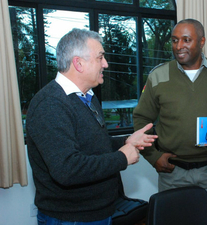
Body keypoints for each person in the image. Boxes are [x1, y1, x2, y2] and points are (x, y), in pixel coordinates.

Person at [26, 28, 158, 224]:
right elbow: (68, 169)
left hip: (99, 211)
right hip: (71, 218)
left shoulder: (87, 97)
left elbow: (93, 144)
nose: (105, 64)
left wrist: (125, 140)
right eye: (100, 57)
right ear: (78, 63)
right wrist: (122, 157)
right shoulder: (50, 105)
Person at [133, 18, 207, 225]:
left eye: (186, 40)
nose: (179, 46)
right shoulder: (158, 76)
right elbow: (142, 119)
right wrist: (153, 157)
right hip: (173, 173)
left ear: (202, 41)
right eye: (174, 40)